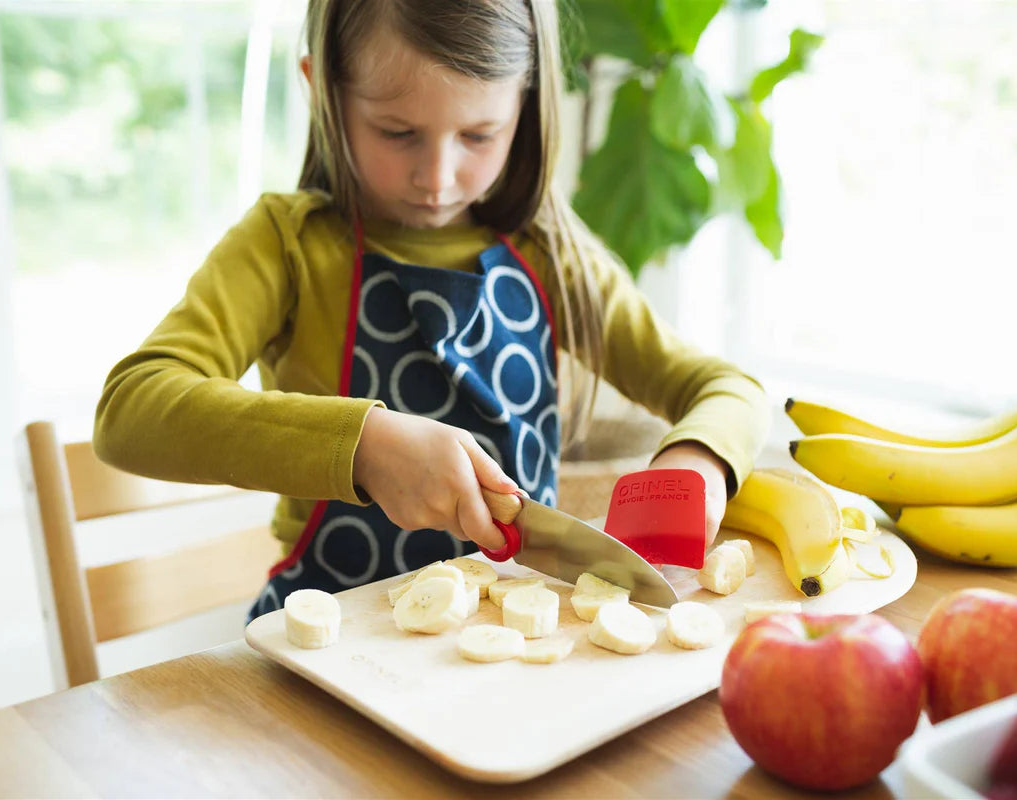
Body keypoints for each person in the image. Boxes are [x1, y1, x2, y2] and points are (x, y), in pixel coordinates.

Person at [93, 0, 770, 621]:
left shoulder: (551, 252)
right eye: (397, 131)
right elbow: (131, 409)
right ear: (320, 88)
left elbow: (726, 387)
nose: (438, 176)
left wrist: (699, 463)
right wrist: (362, 445)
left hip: (516, 640)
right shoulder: (286, 246)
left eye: (479, 135)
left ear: (525, 108)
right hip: (326, 652)